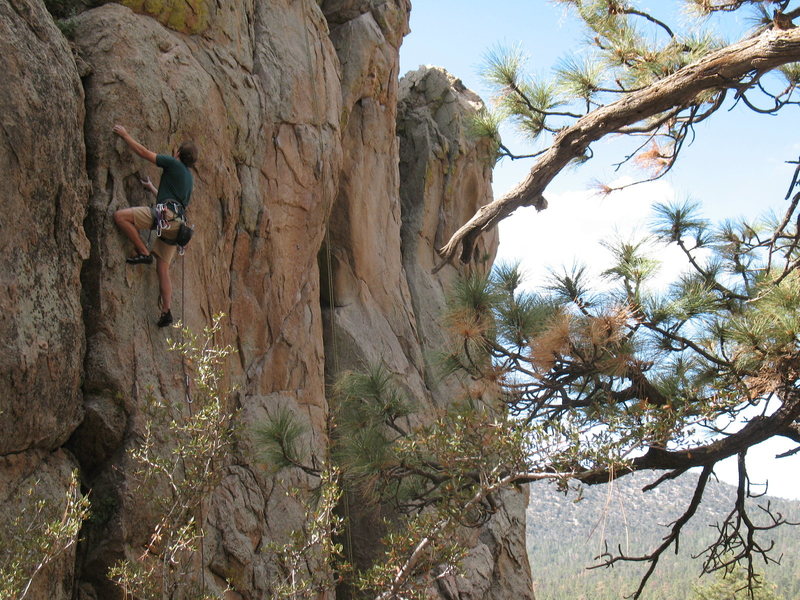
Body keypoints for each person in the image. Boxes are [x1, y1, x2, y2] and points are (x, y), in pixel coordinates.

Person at [112, 124, 197, 327]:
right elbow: (175, 201)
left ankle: (143, 252)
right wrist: (152, 189)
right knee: (163, 268)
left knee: (120, 217)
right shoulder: (189, 179)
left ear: (177, 153)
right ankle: (166, 311)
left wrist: (125, 135)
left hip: (164, 218)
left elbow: (143, 152)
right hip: (177, 226)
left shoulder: (173, 164)